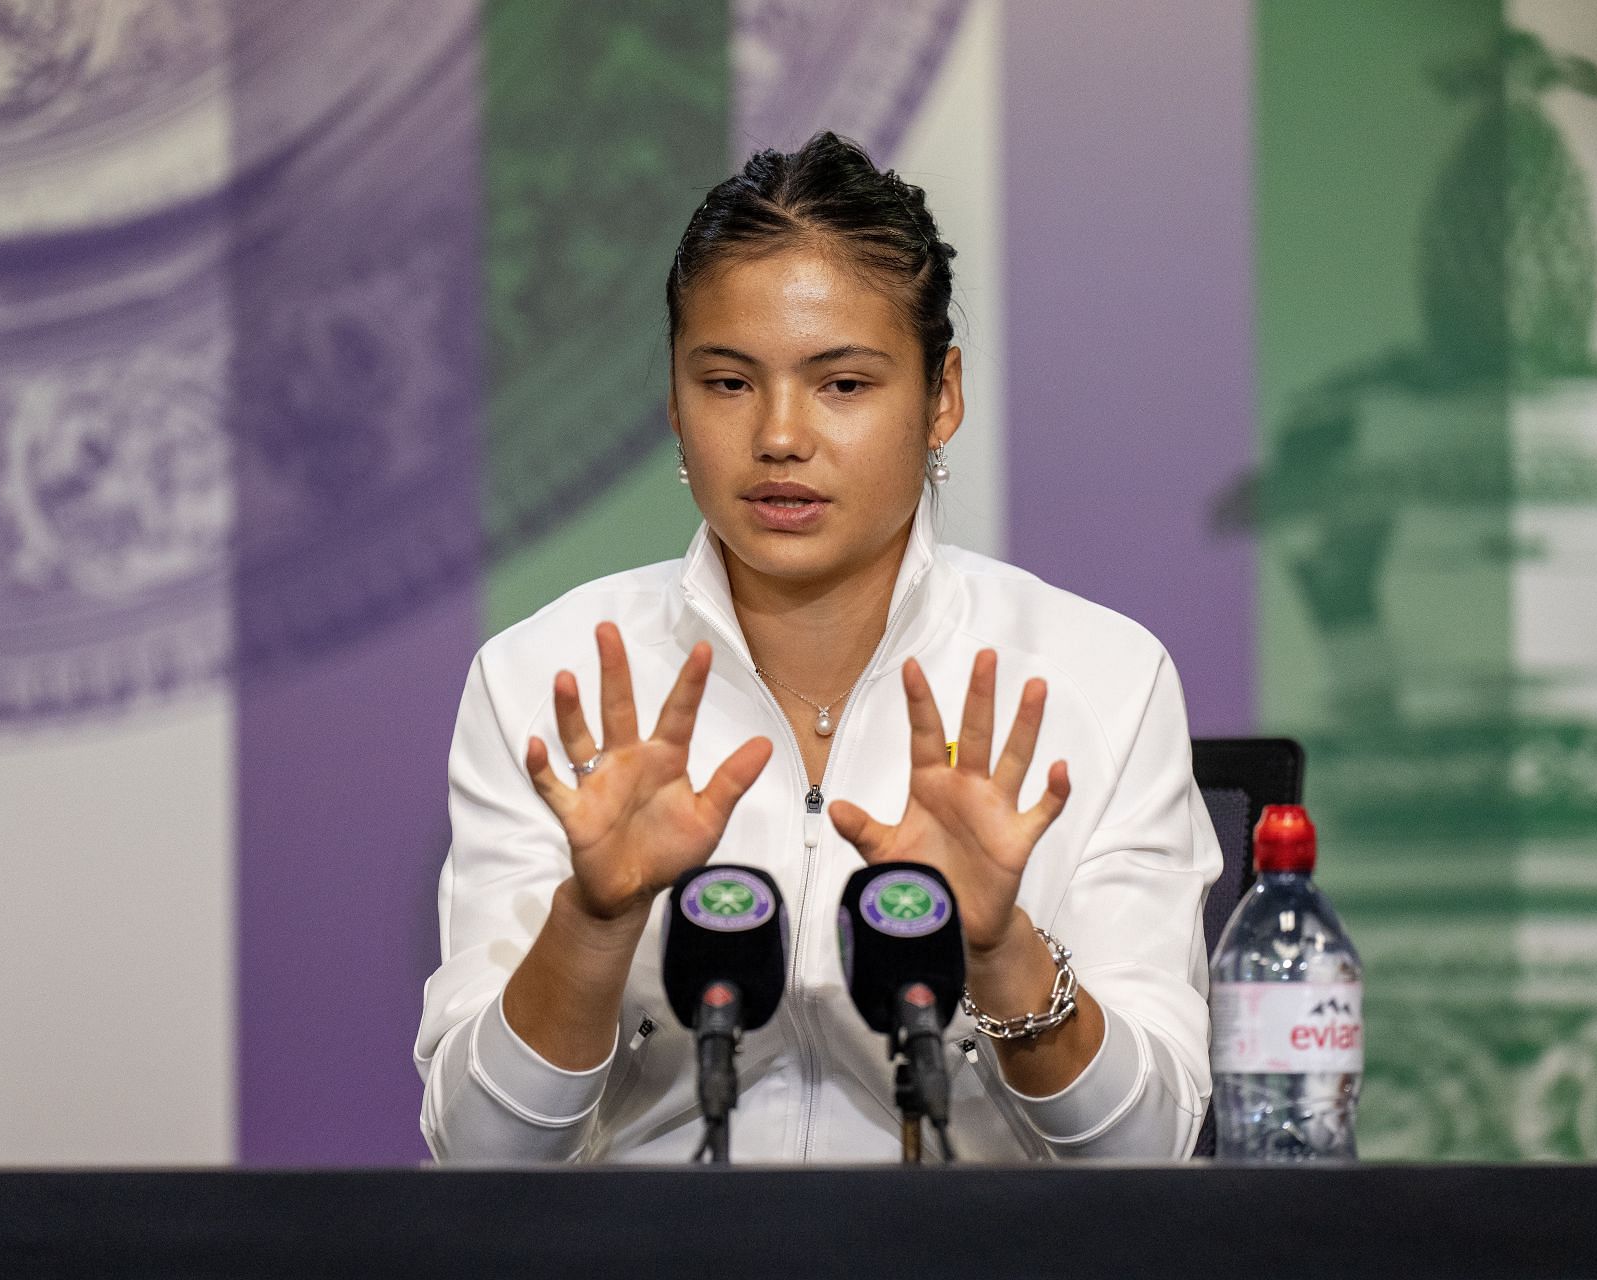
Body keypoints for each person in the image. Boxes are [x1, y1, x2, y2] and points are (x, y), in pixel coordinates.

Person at [415, 132, 1221, 1163]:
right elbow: (479, 1155)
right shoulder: (548, 681)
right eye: (728, 382)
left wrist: (999, 946)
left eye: (842, 384)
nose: (781, 436)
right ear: (673, 398)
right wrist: (593, 918)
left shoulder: (1102, 679)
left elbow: (1150, 1154)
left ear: (942, 398)